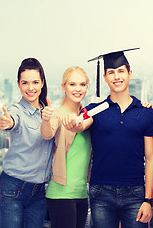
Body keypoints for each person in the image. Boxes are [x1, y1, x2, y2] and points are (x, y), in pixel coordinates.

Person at [62, 48, 153, 228]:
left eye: (121, 71)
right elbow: (82, 123)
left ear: (130, 73)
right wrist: (75, 125)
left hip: (136, 193)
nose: (116, 77)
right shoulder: (95, 109)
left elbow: (151, 158)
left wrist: (149, 199)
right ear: (105, 77)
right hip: (101, 192)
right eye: (111, 72)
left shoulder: (146, 113)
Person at [0, 58, 54, 228]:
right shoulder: (16, 110)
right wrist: (8, 122)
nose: (30, 88)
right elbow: (13, 120)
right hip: (11, 189)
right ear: (19, 85)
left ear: (42, 83)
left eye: (35, 82)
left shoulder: (47, 112)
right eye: (25, 83)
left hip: (38, 193)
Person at [40, 66, 91, 228]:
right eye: (72, 84)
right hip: (61, 194)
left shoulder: (87, 115)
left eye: (82, 85)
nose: (78, 89)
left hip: (82, 194)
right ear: (63, 87)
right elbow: (47, 134)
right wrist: (47, 119)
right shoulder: (57, 114)